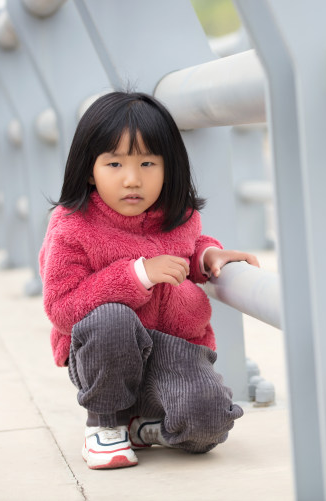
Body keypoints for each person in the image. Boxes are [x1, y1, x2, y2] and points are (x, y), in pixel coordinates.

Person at [39, 91, 259, 470]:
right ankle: (106, 426)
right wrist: (138, 274)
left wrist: (209, 256)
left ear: (168, 166)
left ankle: (144, 429)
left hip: (171, 350)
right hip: (106, 352)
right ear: (89, 169)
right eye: (114, 164)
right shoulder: (73, 227)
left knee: (211, 422)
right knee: (112, 319)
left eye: (147, 162)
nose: (131, 179)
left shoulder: (178, 215)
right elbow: (61, 308)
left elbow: (185, 252)